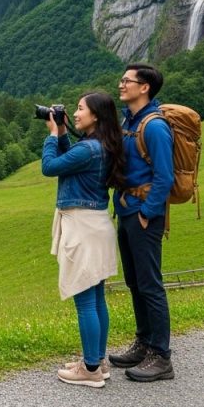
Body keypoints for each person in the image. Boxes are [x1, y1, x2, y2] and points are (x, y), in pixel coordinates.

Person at [41, 91, 126, 388]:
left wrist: (52, 136)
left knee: (85, 301)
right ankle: (98, 360)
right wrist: (64, 132)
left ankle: (89, 369)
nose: (76, 114)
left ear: (96, 116)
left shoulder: (89, 149)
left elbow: (51, 167)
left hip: (83, 228)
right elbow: (72, 159)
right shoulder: (99, 146)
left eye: (80, 109)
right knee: (97, 297)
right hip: (97, 225)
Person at [109, 63, 175, 381]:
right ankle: (144, 343)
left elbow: (165, 177)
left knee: (150, 285)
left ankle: (161, 357)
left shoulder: (155, 127)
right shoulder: (129, 121)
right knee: (135, 283)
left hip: (143, 215)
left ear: (144, 87)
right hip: (126, 211)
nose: (121, 85)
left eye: (127, 81)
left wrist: (147, 213)